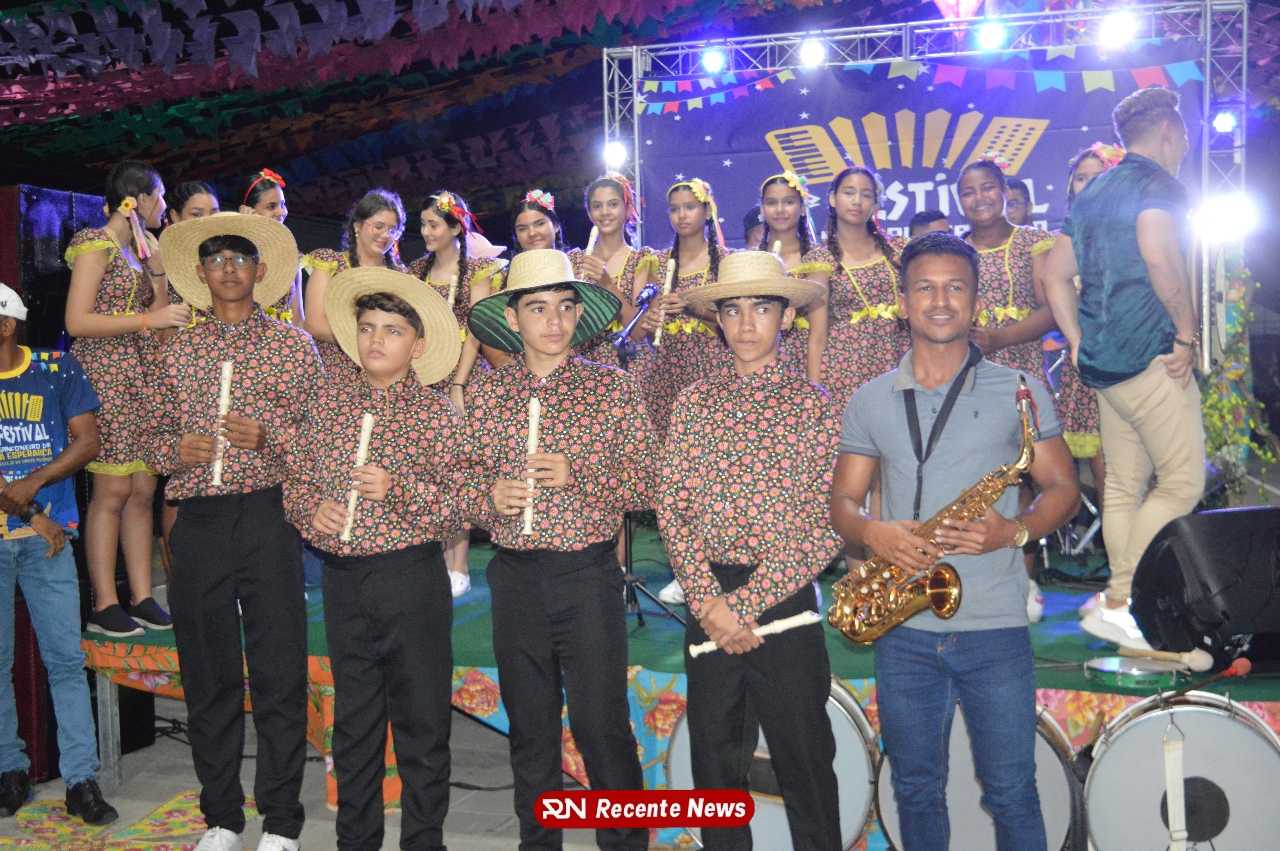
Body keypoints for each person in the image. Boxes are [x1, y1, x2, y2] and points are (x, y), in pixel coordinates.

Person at [830, 232, 1079, 851]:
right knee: (915, 790)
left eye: (955, 288)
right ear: (902, 302)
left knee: (1012, 790)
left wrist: (1013, 530)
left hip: (994, 626)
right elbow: (842, 506)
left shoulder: (1020, 388)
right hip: (904, 628)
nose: (940, 301)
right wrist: (873, 531)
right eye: (925, 288)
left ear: (975, 302)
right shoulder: (869, 399)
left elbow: (1063, 489)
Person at [460, 249, 655, 851]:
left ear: (579, 315)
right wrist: (487, 496)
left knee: (601, 725)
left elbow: (650, 481)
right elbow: (459, 486)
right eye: (538, 308)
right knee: (530, 727)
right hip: (514, 576)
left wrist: (582, 475)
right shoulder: (489, 395)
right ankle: (537, 842)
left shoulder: (612, 389)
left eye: (565, 307)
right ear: (512, 318)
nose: (554, 320)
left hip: (587, 575)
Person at [655, 252, 842, 851]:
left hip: (783, 599)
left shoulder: (814, 406)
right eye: (732, 310)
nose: (746, 323)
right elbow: (673, 508)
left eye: (761, 308)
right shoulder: (694, 404)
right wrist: (710, 601)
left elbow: (828, 525)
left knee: (805, 764)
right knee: (715, 769)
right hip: (709, 599)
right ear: (717, 319)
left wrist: (745, 604)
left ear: (786, 317)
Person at [148, 213, 321, 851]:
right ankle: (221, 817)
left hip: (268, 517)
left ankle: (281, 822)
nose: (228, 269)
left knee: (279, 671)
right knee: (207, 673)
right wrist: (174, 450)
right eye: (216, 260)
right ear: (199, 273)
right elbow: (146, 437)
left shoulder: (292, 347)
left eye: (240, 259)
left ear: (260, 271)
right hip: (198, 522)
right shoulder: (177, 350)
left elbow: (322, 442)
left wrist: (270, 437)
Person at [285, 268, 464, 851]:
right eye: (367, 328)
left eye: (392, 330)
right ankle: (355, 841)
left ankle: (423, 841)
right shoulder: (328, 404)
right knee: (354, 724)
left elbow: (461, 507)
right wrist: (311, 509)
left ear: (418, 345)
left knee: (422, 724)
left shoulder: (436, 414)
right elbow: (296, 479)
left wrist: (400, 489)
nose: (376, 340)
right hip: (344, 581)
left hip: (410, 578)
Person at [1042, 87, 1203, 650]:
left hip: (1105, 366)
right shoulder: (1159, 186)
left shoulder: (1095, 191)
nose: (1185, 147)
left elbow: (1054, 275)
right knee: (1182, 483)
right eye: (1184, 137)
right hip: (1152, 355)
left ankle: (1123, 606)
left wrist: (1078, 341)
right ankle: (1119, 600)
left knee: (1123, 488)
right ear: (1168, 132)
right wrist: (1187, 333)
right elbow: (1160, 254)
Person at [0, 286, 119, 825]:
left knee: (66, 662)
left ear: (7, 326)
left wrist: (36, 482)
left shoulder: (55, 367)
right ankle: (11, 771)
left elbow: (88, 441)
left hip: (47, 543)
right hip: (38, 530)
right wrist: (33, 512)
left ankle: (80, 780)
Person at [66, 160, 188, 638]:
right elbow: (77, 321)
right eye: (160, 196)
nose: (165, 205)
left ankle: (141, 596)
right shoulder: (94, 244)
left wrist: (158, 274)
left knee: (142, 489)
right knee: (112, 491)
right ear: (137, 200)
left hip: (141, 374)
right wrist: (146, 321)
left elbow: (158, 316)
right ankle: (104, 602)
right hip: (105, 374)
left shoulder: (139, 251)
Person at [959, 158, 1059, 620]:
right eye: (968, 192)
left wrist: (1000, 338)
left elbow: (1051, 310)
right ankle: (972, 579)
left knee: (1024, 479)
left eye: (986, 188)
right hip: (968, 377)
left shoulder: (1033, 242)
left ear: (1004, 192)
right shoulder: (955, 249)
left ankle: (1025, 580)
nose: (978, 198)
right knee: (977, 477)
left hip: (1020, 373)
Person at [407, 190, 507, 598]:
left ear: (454, 227)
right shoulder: (415, 271)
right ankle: (430, 559)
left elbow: (478, 329)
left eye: (434, 224)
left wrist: (458, 385)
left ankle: (458, 565)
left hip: (462, 379)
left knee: (458, 469)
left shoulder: (478, 271)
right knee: (426, 469)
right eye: (423, 224)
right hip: (422, 379)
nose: (426, 231)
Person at [1046, 145, 1125, 619]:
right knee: (1109, 480)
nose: (1089, 185)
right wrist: (1077, 342)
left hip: (1139, 365)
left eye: (1099, 176)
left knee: (1142, 478)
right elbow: (1056, 292)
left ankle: (1149, 578)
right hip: (1090, 369)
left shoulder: (1137, 227)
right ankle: (1121, 586)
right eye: (1080, 178)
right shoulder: (1068, 238)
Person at [157, 180, 224, 573]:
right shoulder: (166, 265)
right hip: (181, 387)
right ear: (174, 217)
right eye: (196, 214)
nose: (205, 221)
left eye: (212, 213)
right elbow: (162, 338)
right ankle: (181, 575)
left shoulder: (223, 260)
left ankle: (218, 572)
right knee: (180, 481)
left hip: (225, 385)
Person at [803, 166, 909, 409]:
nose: (857, 201)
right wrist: (815, 399)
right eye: (849, 193)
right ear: (833, 198)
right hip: (844, 372)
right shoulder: (821, 259)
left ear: (875, 203)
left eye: (866, 195)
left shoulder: (899, 249)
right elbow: (817, 338)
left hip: (898, 362)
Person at [639, 178, 734, 438]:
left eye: (689, 207)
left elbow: (733, 322)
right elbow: (650, 332)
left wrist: (694, 310)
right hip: (666, 374)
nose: (681, 215)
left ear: (707, 211)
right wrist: (651, 326)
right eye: (674, 209)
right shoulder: (657, 262)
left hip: (713, 371)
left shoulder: (726, 261)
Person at [303, 189, 408, 380]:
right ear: (357, 225)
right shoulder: (330, 263)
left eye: (392, 230)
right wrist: (368, 341)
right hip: (334, 372)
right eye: (378, 226)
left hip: (383, 374)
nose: (385, 235)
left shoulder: (401, 275)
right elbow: (314, 324)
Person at [566, 178, 657, 367]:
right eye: (597, 206)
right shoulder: (574, 261)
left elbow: (639, 332)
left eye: (613, 204)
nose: (605, 212)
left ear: (628, 210)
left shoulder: (642, 260)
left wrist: (607, 284)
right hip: (585, 365)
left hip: (630, 365)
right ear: (589, 213)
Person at [757, 171, 820, 373]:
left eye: (788, 202)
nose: (780, 210)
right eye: (772, 203)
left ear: (802, 208)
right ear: (762, 209)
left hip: (810, 356)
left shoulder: (819, 258)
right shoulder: (752, 260)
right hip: (762, 357)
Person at [236, 170, 304, 328]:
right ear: (248, 210)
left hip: (285, 341)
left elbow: (298, 318)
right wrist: (247, 232)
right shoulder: (231, 255)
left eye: (282, 204)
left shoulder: (290, 256)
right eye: (271, 206)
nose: (281, 212)